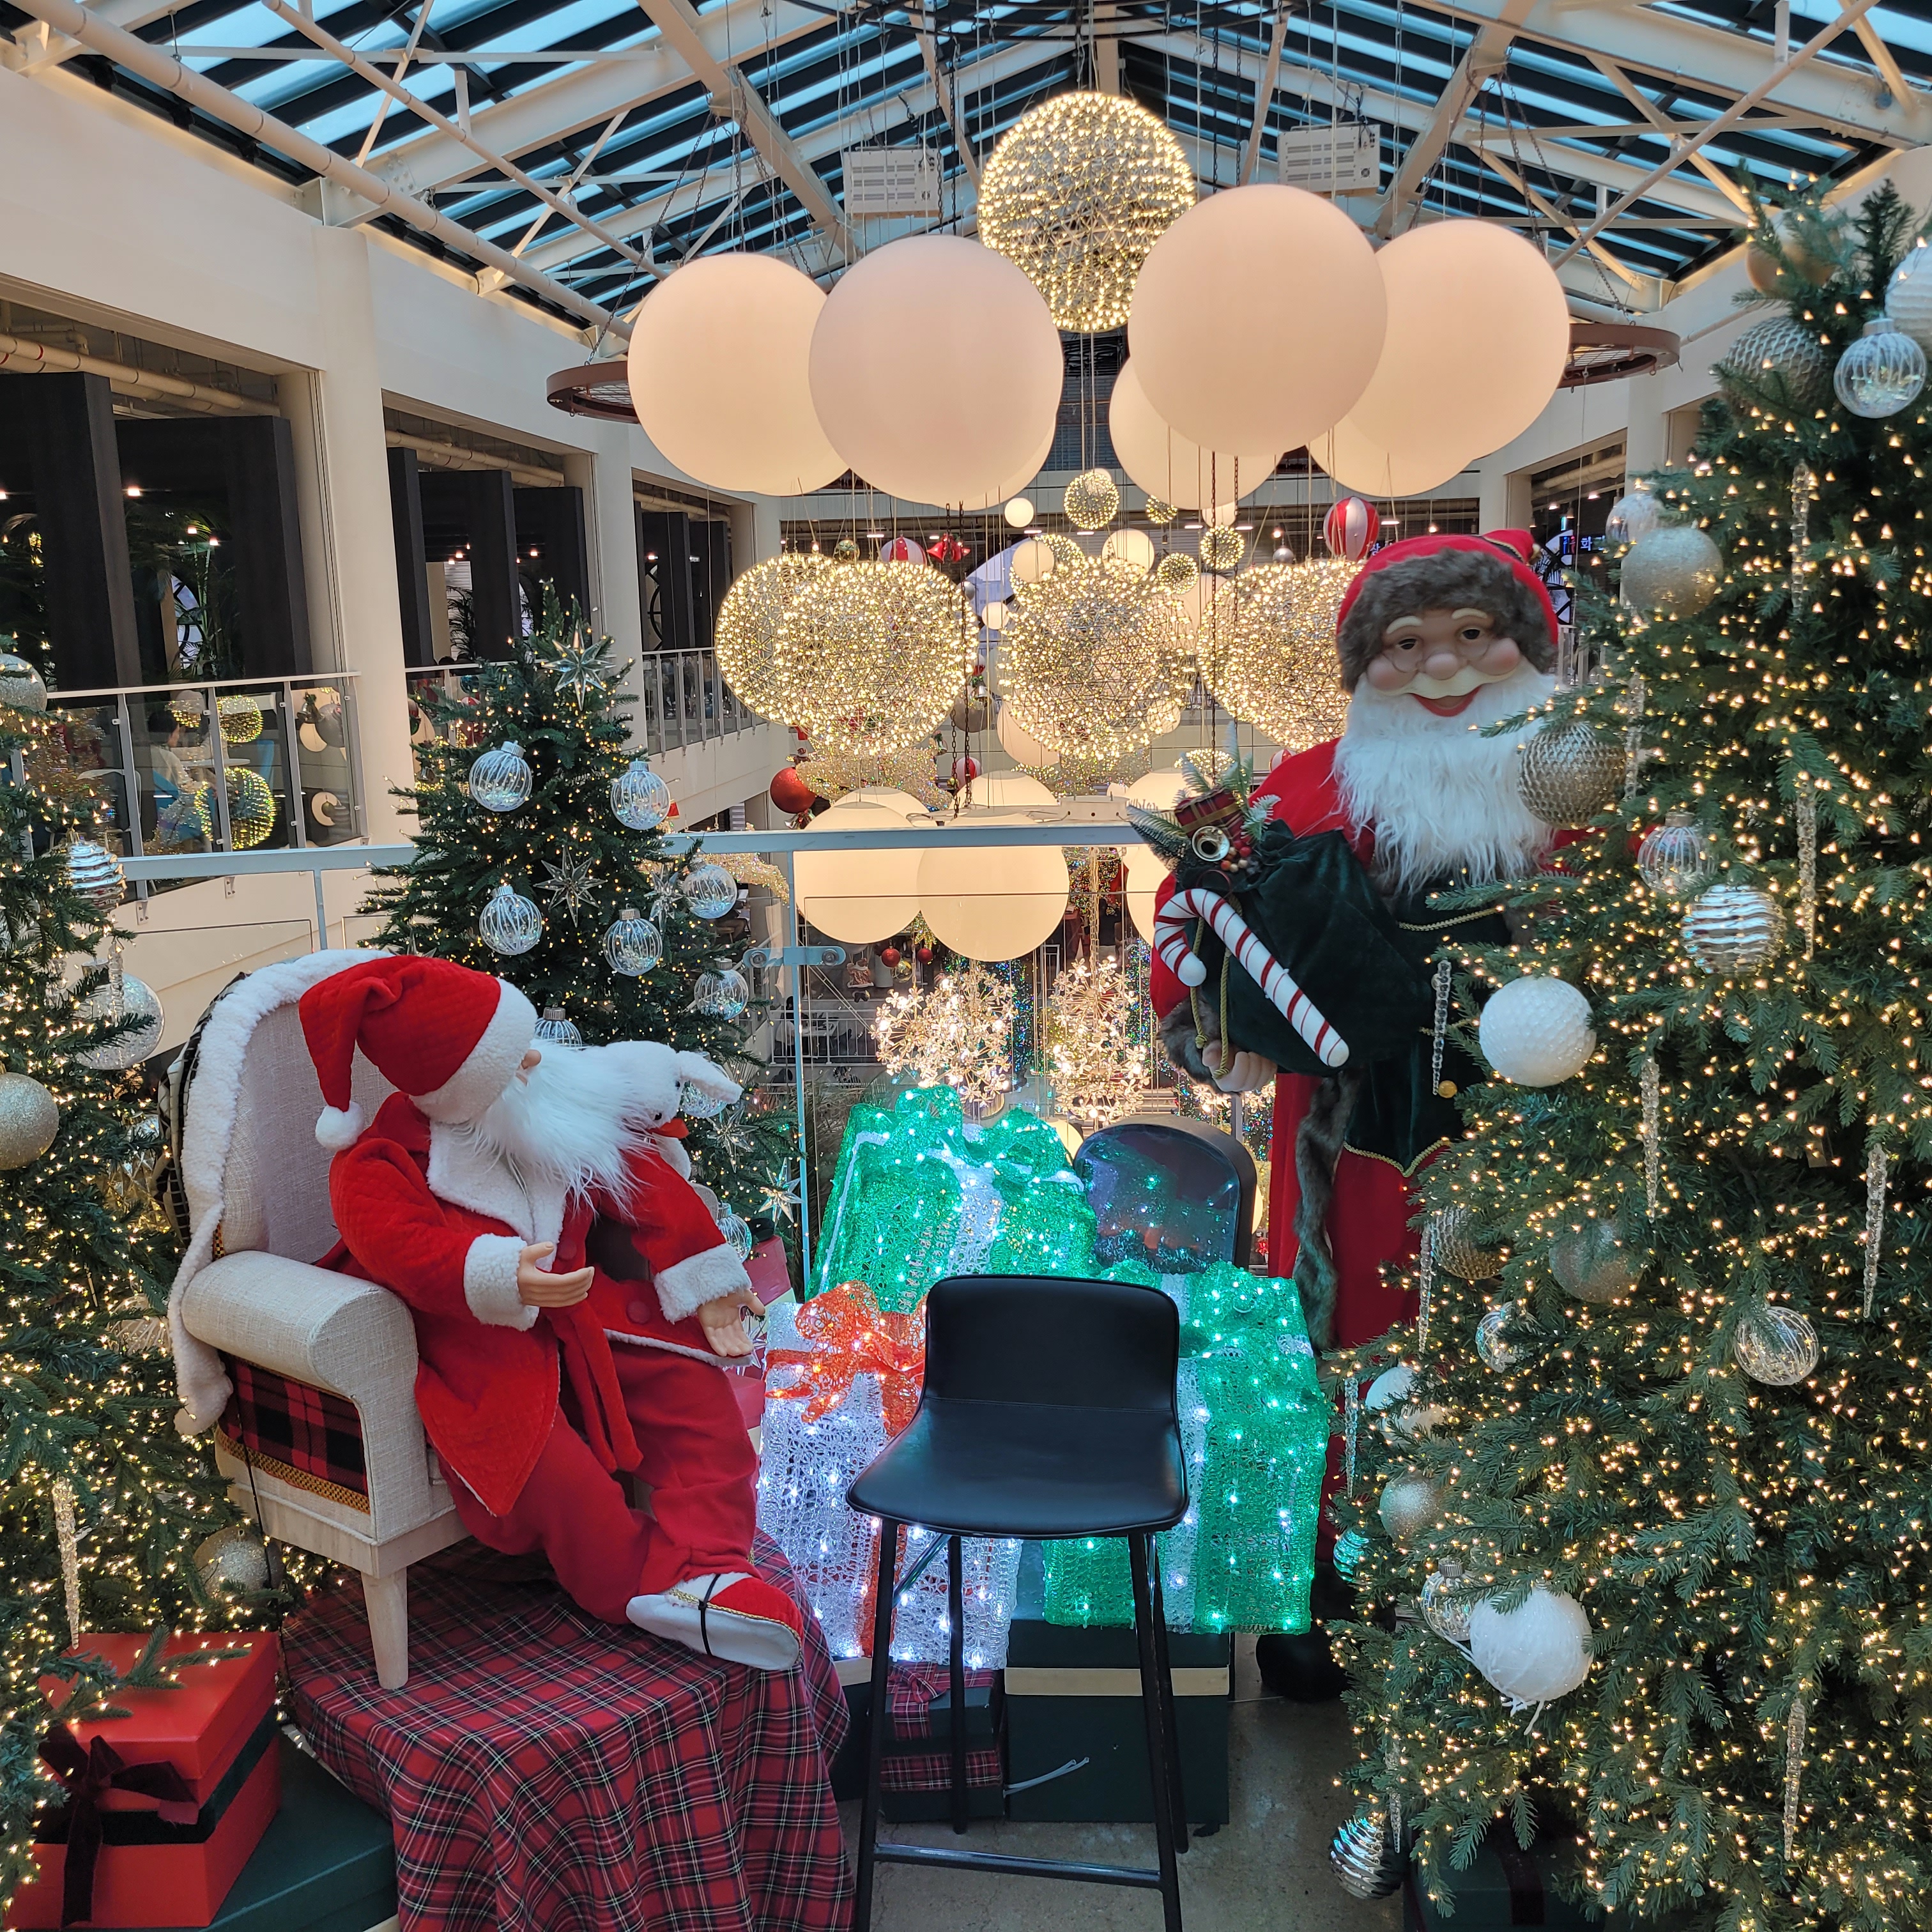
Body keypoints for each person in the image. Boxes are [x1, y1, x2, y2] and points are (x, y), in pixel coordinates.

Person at [1149, 531, 1563, 1692]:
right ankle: (1335, 1591)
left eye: (1472, 635)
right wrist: (1209, 1019)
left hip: (1540, 1141)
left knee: (1518, 1341)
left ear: (1521, 644)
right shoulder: (1312, 783)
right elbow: (1196, 907)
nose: (1442, 666)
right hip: (1349, 1142)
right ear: (1365, 663)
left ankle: (1518, 1600)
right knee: (1344, 1347)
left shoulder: (1570, 781)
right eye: (1405, 644)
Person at [300, 954, 804, 1671]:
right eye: (506, 1060)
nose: (534, 1059)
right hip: (478, 1341)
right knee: (548, 1470)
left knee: (688, 1388)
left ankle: (716, 1565)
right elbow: (394, 1243)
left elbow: (640, 1175)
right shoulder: (379, 1163)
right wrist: (496, 1272)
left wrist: (705, 1275)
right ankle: (642, 1585)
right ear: (453, 1083)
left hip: (580, 1305)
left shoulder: (539, 1101)